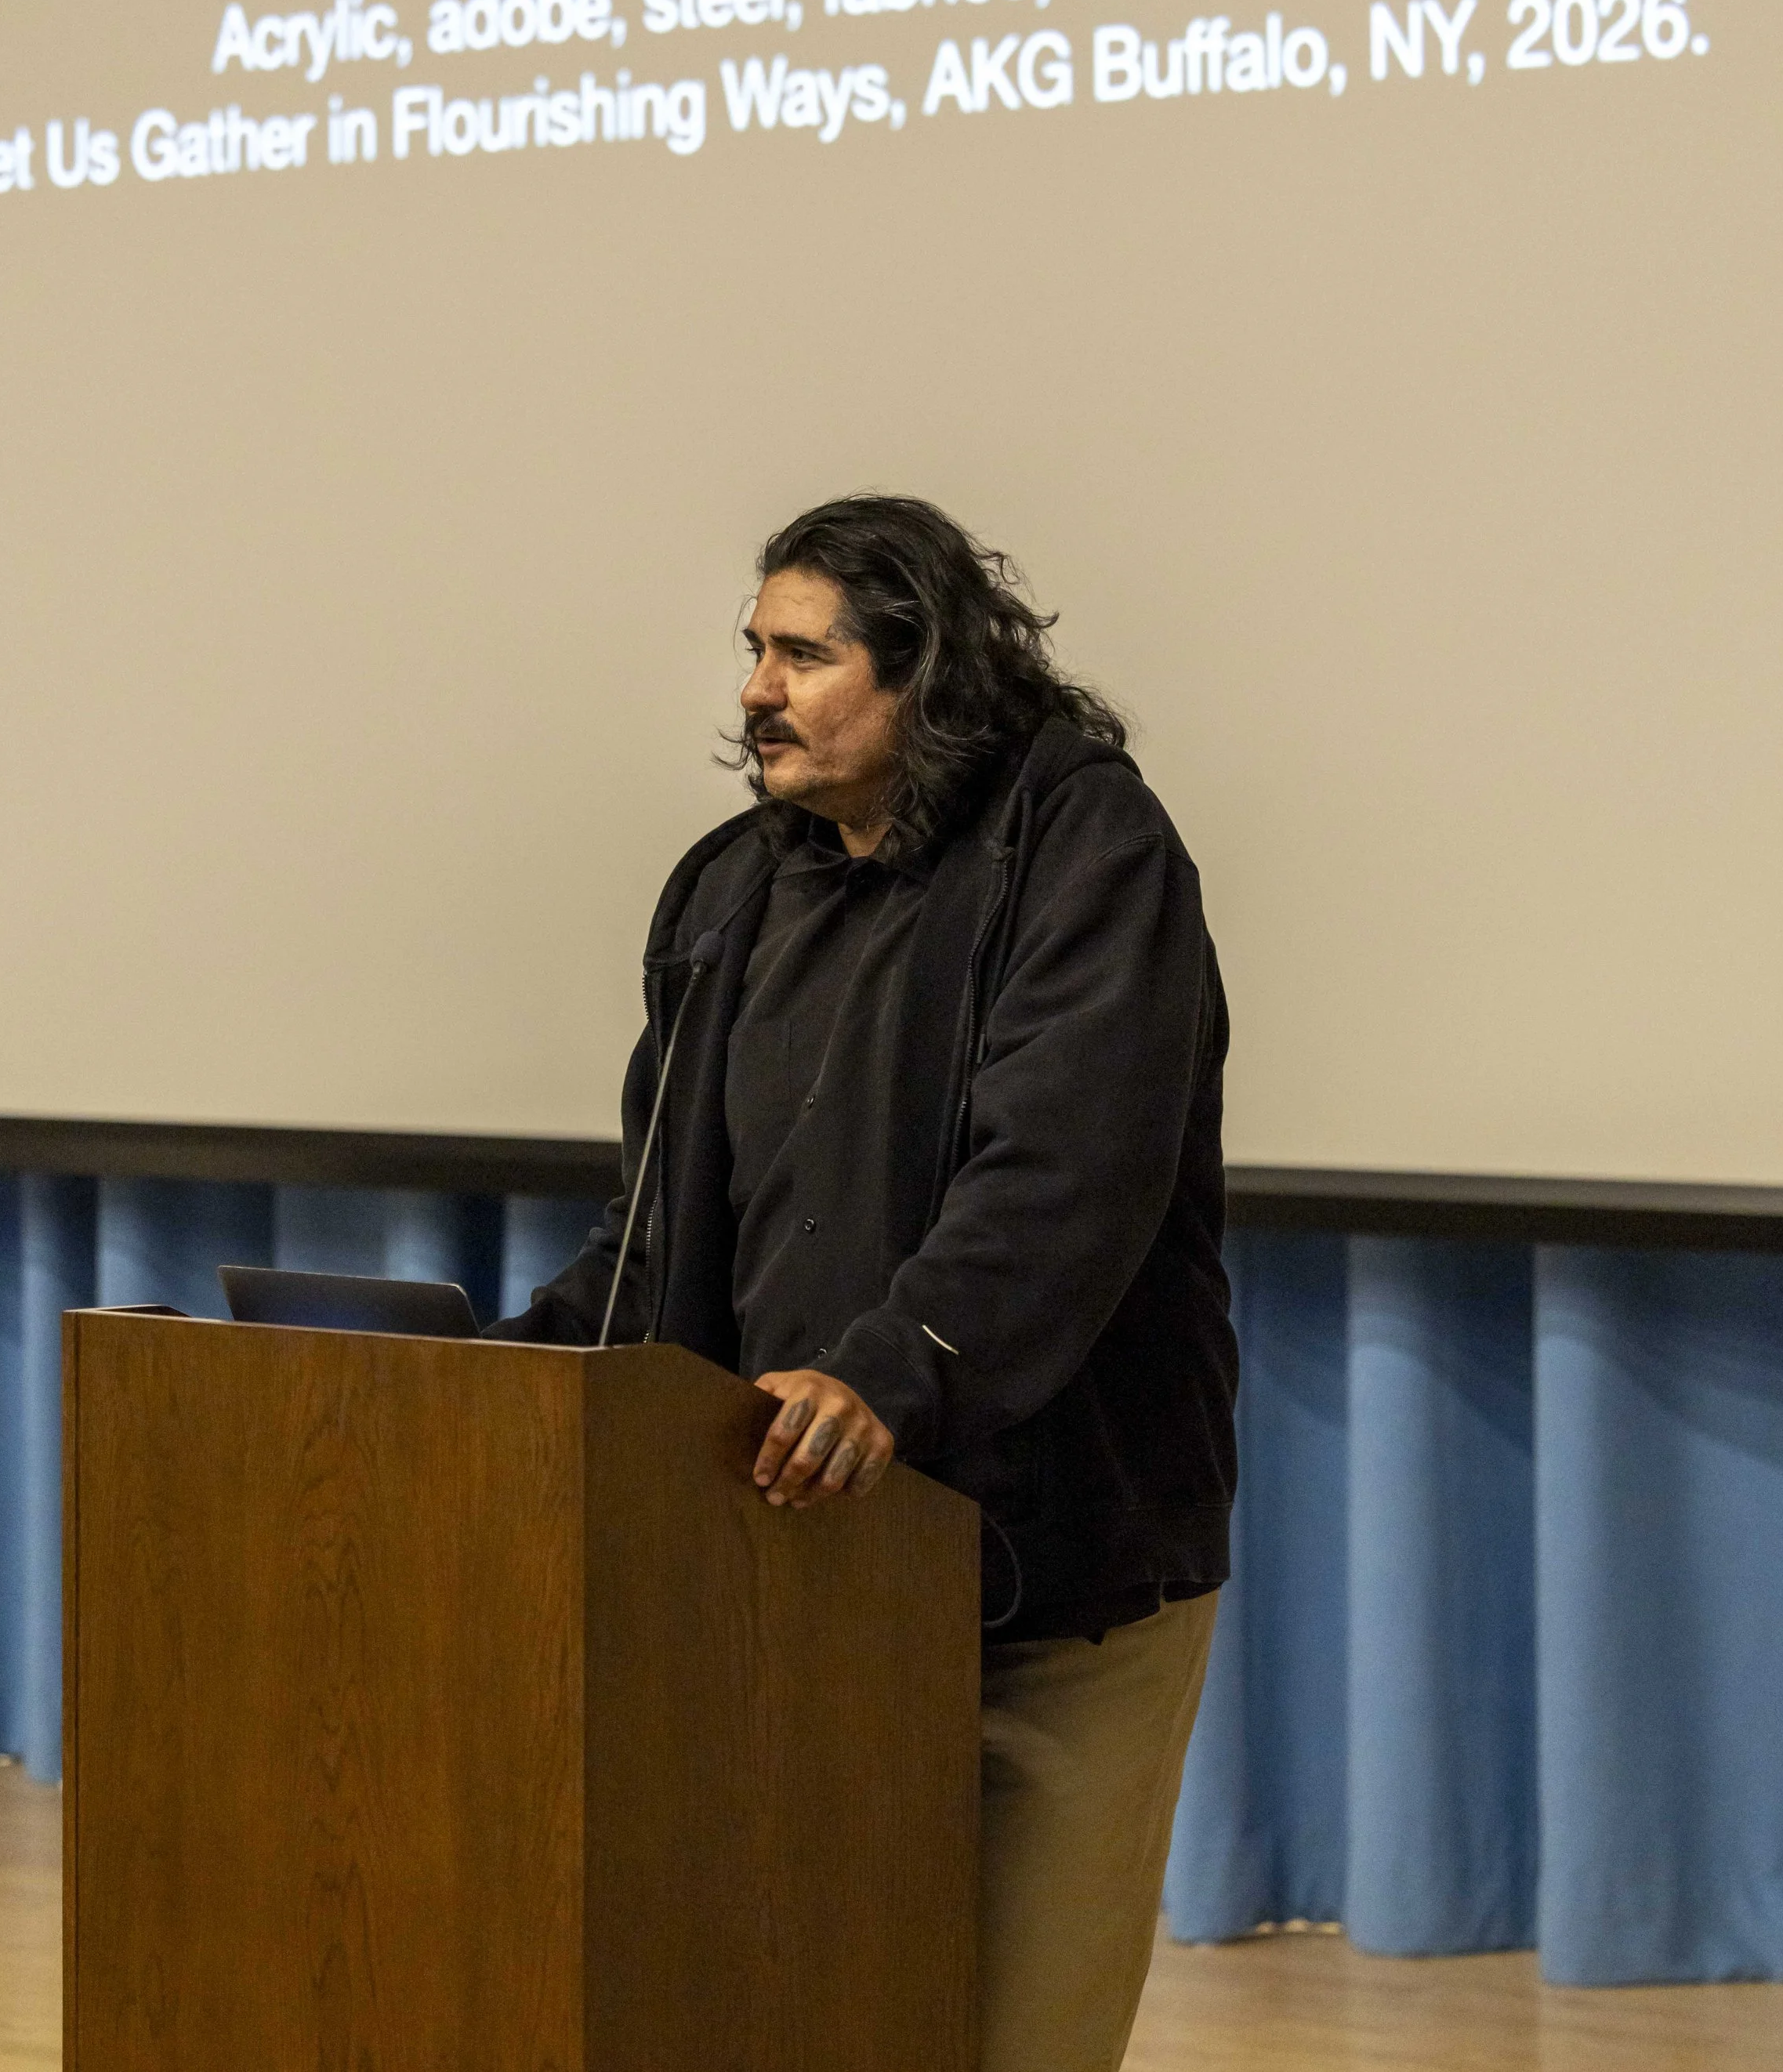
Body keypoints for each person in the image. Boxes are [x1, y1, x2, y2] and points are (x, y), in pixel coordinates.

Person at [493, 494, 1237, 2072]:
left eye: (802, 653)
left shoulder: (1083, 842)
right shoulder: (729, 892)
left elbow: (1064, 1183)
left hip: (1050, 1576)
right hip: (790, 1570)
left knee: (1003, 2037)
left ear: (928, 673)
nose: (756, 688)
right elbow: (657, 1235)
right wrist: (502, 1377)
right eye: (753, 651)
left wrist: (888, 1369)